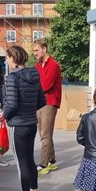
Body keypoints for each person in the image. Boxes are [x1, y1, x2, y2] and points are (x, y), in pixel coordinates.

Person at [3, 46, 46, 191]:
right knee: (29, 159)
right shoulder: (34, 75)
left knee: (22, 164)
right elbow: (42, 100)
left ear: (13, 59)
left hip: (18, 125)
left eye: (7, 58)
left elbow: (12, 104)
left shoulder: (12, 78)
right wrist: (29, 109)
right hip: (30, 123)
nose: (6, 61)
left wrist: (5, 115)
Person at [32, 38, 62, 175]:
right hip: (40, 102)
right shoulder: (38, 65)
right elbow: (34, 80)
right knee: (45, 133)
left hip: (49, 102)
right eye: (34, 51)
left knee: (45, 134)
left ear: (44, 49)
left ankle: (44, 164)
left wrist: (33, 87)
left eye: (37, 50)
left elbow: (45, 85)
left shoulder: (53, 65)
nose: (35, 53)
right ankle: (52, 160)